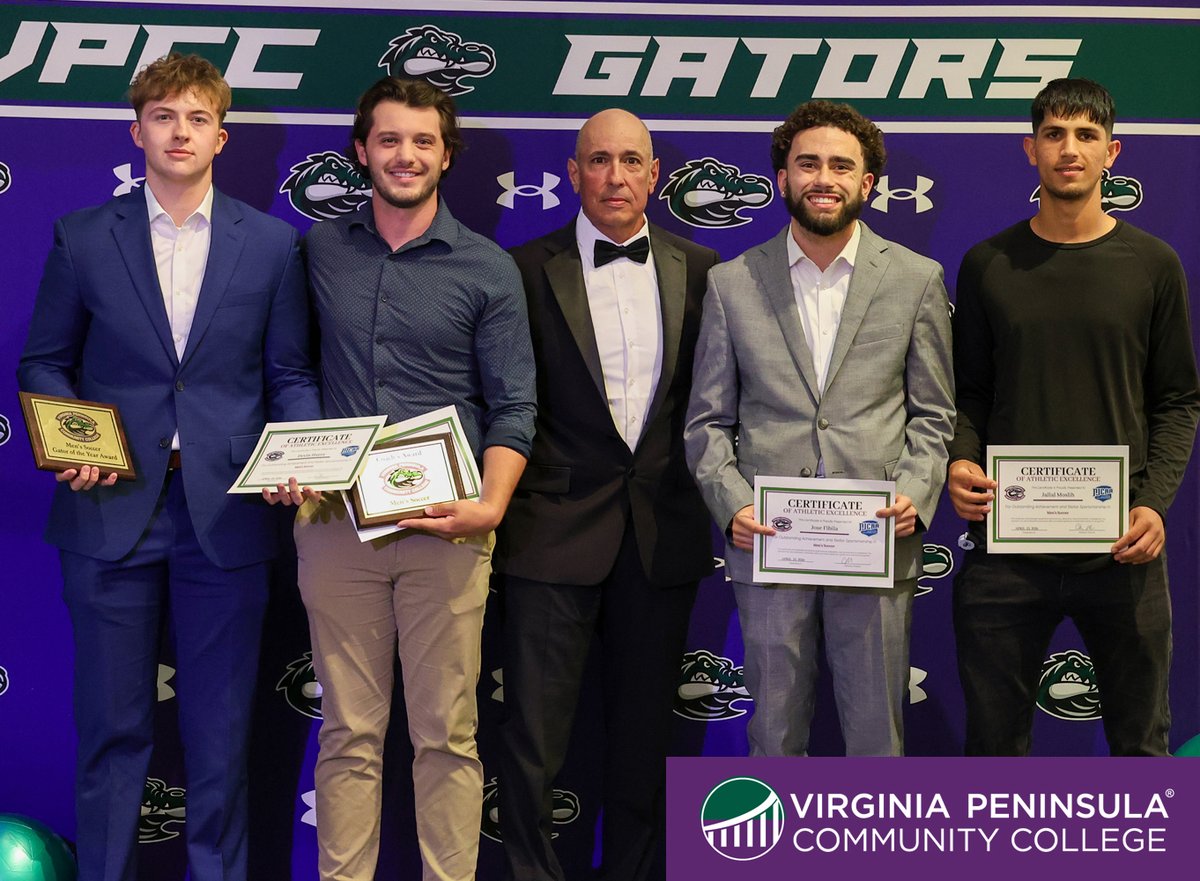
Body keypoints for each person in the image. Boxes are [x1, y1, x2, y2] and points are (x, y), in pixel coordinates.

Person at [17, 52, 320, 881]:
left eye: (195, 118)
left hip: (227, 516)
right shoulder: (83, 236)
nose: (179, 131)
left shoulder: (271, 245)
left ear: (219, 136)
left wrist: (295, 458)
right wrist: (73, 443)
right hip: (108, 509)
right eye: (163, 116)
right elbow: (44, 363)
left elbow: (289, 375)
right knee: (113, 729)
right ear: (136, 131)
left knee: (220, 737)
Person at [295, 76, 536, 881]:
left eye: (423, 141)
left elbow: (513, 405)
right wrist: (302, 459)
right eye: (390, 140)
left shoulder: (487, 267)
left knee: (446, 732)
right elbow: (291, 369)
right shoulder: (319, 250)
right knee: (349, 733)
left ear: (447, 153)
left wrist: (490, 505)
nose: (406, 155)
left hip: (449, 526)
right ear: (362, 150)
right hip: (336, 525)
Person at [683, 100, 954, 757]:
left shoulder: (917, 281)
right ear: (783, 178)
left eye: (841, 165)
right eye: (808, 163)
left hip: (877, 541)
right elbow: (707, 421)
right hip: (772, 545)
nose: (822, 177)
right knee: (772, 735)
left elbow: (936, 413)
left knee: (873, 735)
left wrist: (915, 494)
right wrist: (734, 503)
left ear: (867, 183)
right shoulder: (731, 284)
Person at [495, 108, 718, 881]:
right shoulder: (519, 269)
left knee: (644, 743)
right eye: (599, 161)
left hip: (662, 538)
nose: (615, 176)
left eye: (631, 161)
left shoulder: (706, 269)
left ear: (654, 175)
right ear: (573, 172)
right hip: (547, 535)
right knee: (532, 745)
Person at [947, 77, 1200, 756]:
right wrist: (961, 459)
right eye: (1055, 134)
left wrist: (1153, 504)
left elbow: (1179, 399)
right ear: (1030, 149)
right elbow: (968, 391)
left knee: (1142, 744)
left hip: (1122, 549)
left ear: (1111, 151)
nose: (1070, 149)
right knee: (994, 748)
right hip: (1005, 552)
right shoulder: (987, 265)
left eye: (1086, 135)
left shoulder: (1153, 265)